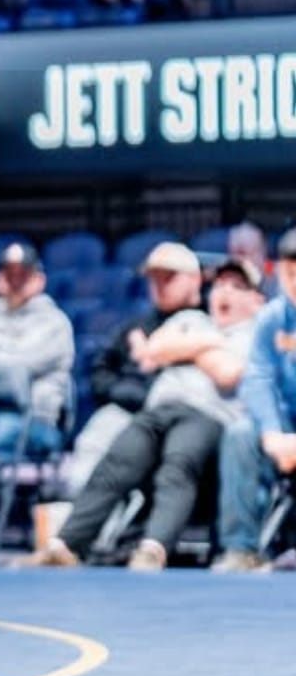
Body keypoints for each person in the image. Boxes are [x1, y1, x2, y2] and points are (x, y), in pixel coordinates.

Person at [33, 259, 263, 570]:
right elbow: (150, 352)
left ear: (256, 300)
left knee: (177, 466)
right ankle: (65, 545)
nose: (225, 293)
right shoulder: (192, 318)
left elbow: (228, 373)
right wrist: (211, 343)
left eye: (237, 287)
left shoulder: (258, 334)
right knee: (115, 463)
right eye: (220, 285)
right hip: (158, 410)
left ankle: (152, 551)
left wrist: (185, 348)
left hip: (208, 416)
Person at [66, 242, 203, 496]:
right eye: (154, 278)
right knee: (95, 440)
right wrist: (123, 392)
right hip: (124, 413)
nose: (160, 286)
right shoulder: (135, 327)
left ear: (195, 280)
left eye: (169, 277)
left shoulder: (204, 324)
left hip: (178, 422)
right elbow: (100, 371)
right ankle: (80, 522)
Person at [217, 228, 296, 572]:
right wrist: (272, 433)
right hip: (283, 425)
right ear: (278, 272)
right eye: (291, 274)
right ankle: (241, 549)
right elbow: (259, 378)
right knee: (239, 434)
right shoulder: (272, 318)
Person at [0, 243, 75, 463]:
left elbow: (13, 369)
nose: (15, 282)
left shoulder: (54, 322)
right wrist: (1, 346)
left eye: (23, 275)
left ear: (39, 280)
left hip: (33, 420)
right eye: (9, 274)